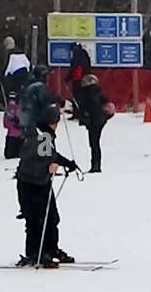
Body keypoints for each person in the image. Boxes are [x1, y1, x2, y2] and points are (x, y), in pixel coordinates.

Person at [14, 104, 79, 267]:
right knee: (36, 220)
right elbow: (41, 158)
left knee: (51, 217)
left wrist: (65, 163)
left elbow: (49, 154)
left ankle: (50, 248)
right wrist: (51, 165)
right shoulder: (42, 135)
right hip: (31, 184)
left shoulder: (43, 134)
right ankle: (35, 253)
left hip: (40, 182)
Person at [74, 74, 112, 173]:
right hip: (99, 120)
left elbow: (89, 106)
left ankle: (95, 165)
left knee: (94, 143)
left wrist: (85, 115)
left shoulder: (88, 93)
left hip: (94, 121)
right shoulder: (98, 92)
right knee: (95, 143)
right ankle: (96, 164)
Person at [18, 65, 65, 131]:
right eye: (46, 76)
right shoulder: (38, 86)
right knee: (53, 115)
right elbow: (45, 99)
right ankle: (47, 139)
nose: (48, 78)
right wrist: (57, 99)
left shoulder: (28, 84)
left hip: (26, 116)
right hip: (34, 117)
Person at [67, 43, 92, 119]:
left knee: (76, 97)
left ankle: (77, 114)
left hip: (77, 80)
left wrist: (67, 78)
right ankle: (85, 113)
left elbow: (73, 70)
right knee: (85, 97)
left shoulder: (75, 57)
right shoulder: (85, 55)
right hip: (86, 79)